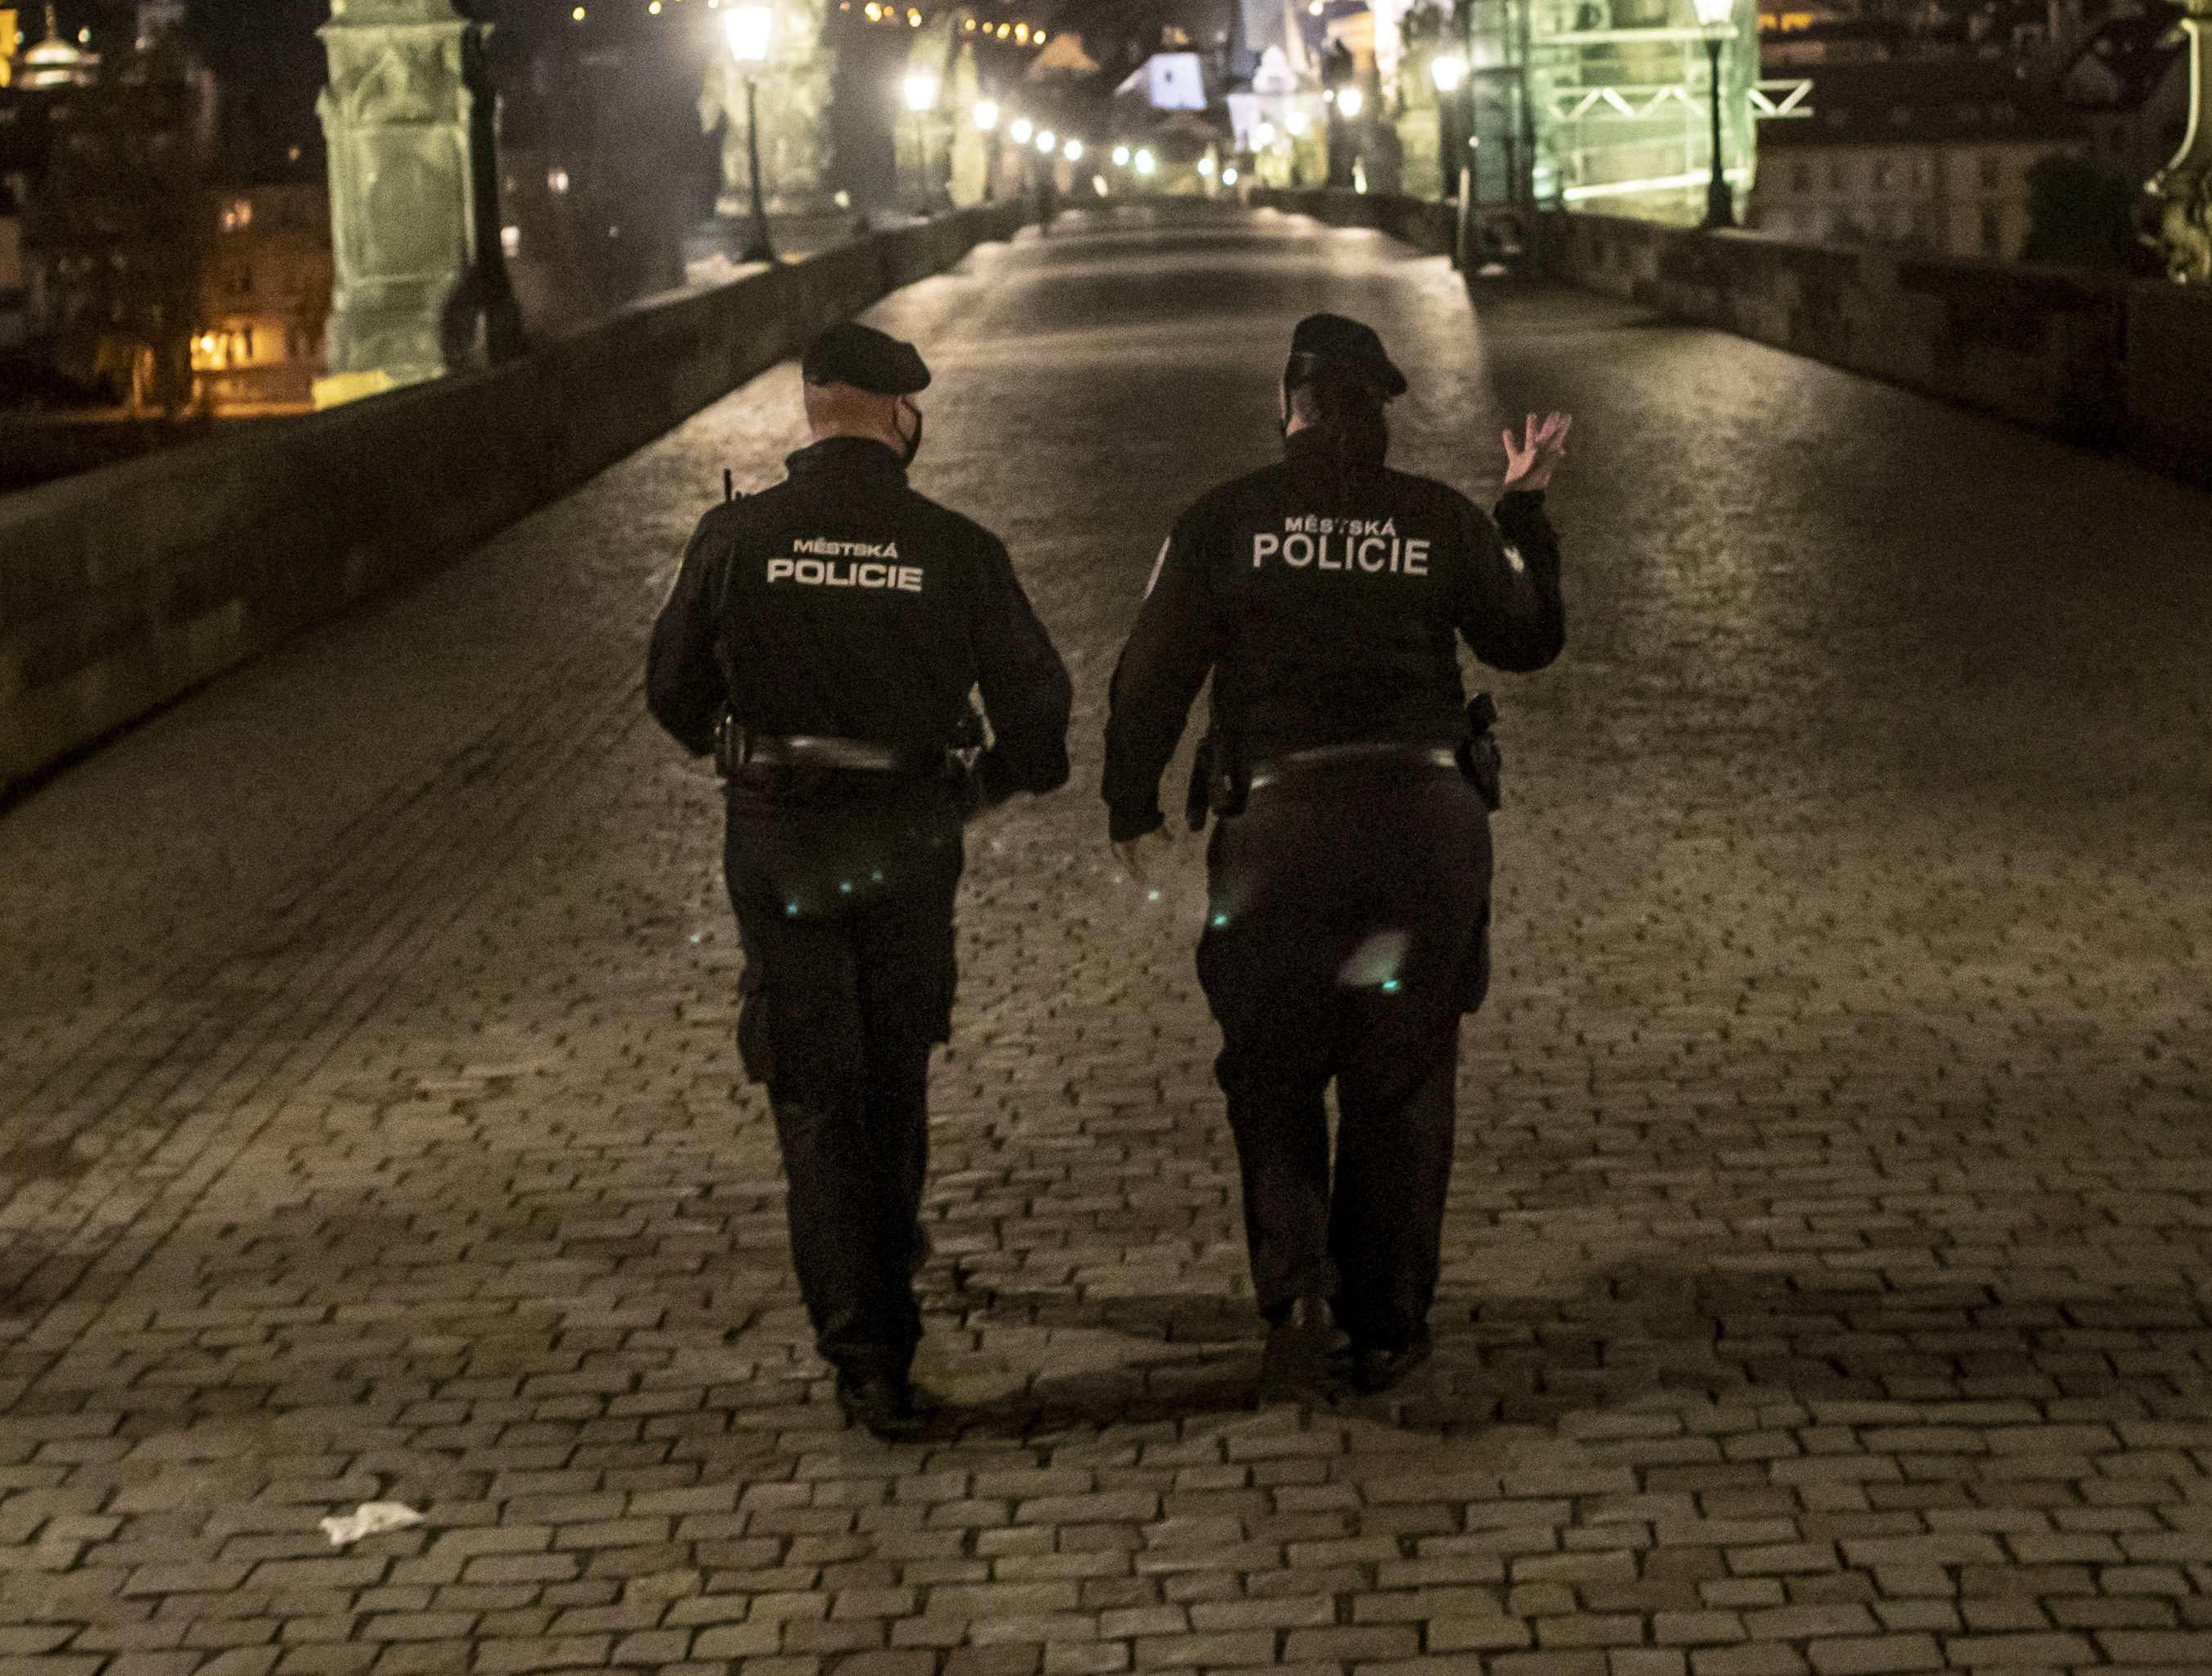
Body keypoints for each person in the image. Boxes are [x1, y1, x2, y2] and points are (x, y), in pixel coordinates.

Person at [1102, 313, 1570, 1399]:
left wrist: (1132, 801)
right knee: (1401, 1081)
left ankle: (1298, 1295)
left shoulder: (1226, 520)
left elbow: (1151, 674)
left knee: (1270, 1072)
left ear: (1291, 402)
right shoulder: (1439, 520)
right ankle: (1389, 1322)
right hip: (1421, 830)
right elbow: (1526, 635)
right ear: (1379, 411)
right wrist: (1526, 507)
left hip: (1278, 836)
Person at [646, 320, 1074, 1438]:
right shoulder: (956, 546)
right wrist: (989, 785)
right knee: (893, 1078)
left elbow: (671, 691)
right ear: (901, 415)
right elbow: (1040, 711)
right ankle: (891, 1286)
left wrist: (743, 755)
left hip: (781, 841)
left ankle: (864, 1352)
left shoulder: (735, 535)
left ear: (808, 408)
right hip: (905, 839)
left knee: (817, 1097)